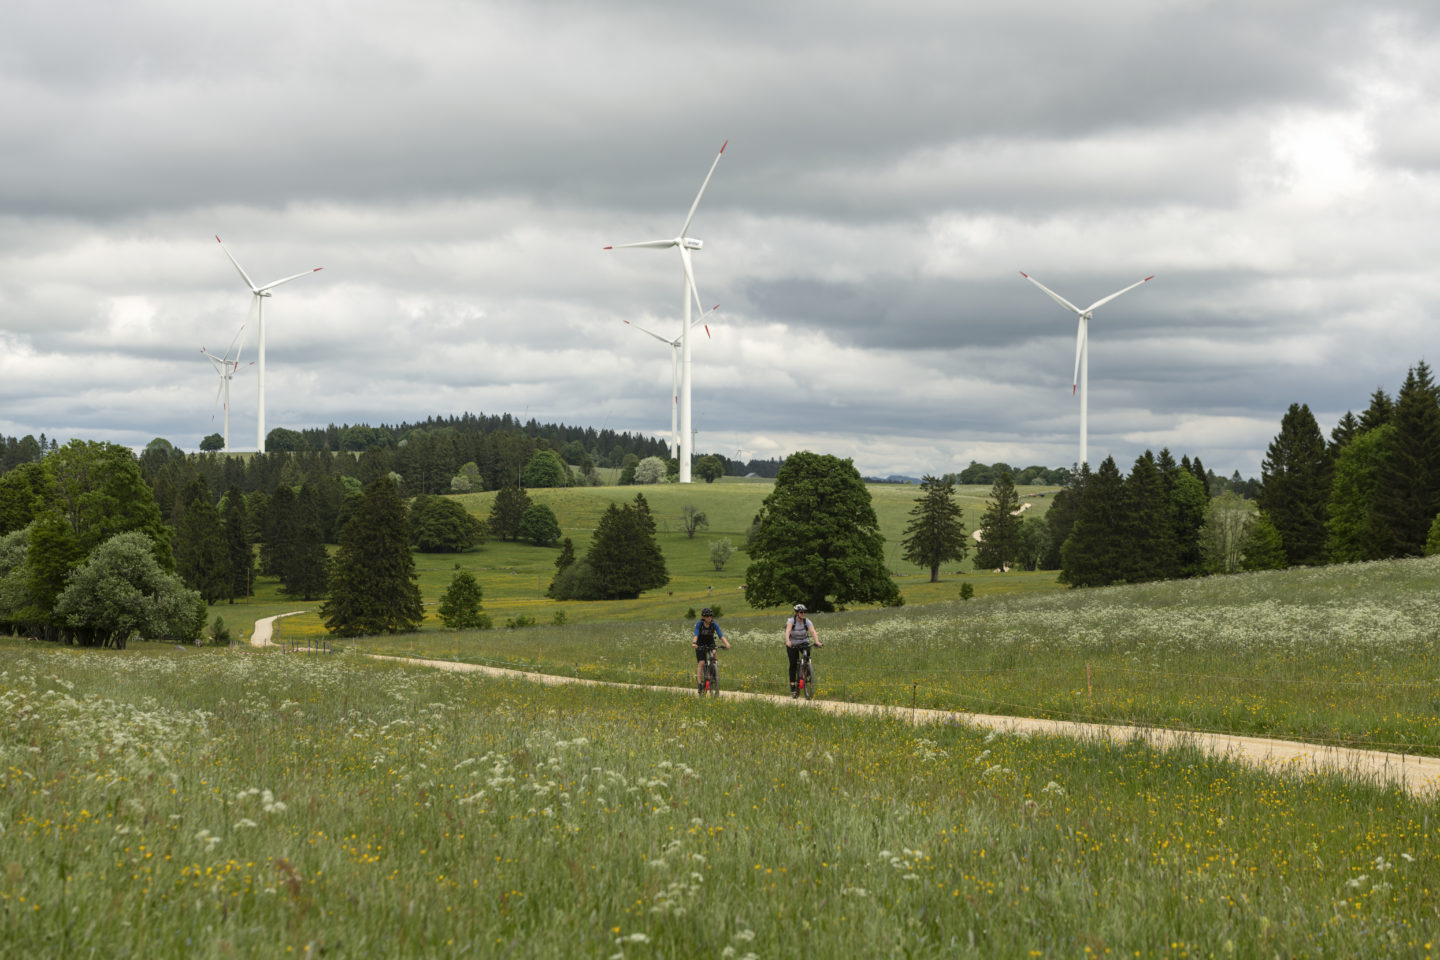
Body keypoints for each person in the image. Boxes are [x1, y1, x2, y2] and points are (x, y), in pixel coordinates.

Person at [783, 603, 821, 698]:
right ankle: (793, 687)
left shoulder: (807, 621)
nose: (803, 614)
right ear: (796, 613)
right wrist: (787, 641)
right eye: (801, 612)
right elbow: (788, 631)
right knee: (793, 665)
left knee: (807, 656)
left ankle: (807, 670)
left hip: (804, 642)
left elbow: (813, 631)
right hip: (792, 644)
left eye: (804, 612)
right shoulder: (791, 621)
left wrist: (816, 641)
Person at [692, 607, 730, 694]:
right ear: (703, 617)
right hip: (700, 644)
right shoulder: (699, 624)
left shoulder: (714, 624)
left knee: (714, 652)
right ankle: (699, 684)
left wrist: (727, 643)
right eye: (707, 616)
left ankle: (714, 670)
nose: (709, 617)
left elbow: (721, 635)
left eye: (710, 616)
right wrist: (694, 643)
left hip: (710, 642)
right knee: (701, 663)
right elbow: (696, 634)